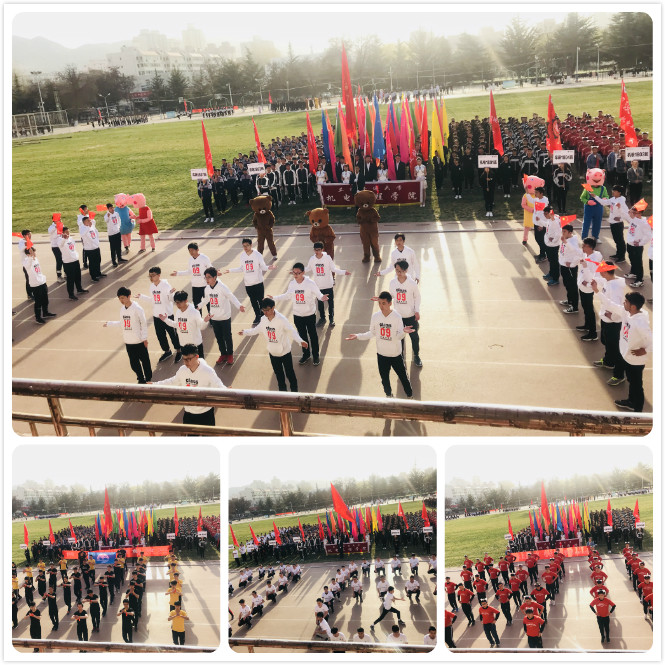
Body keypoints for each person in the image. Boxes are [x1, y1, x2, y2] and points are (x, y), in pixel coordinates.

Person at [346, 292, 414, 398]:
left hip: (395, 355)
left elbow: (398, 337)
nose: (381, 306)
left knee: (403, 377)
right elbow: (371, 333)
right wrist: (358, 336)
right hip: (382, 355)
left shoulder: (397, 317)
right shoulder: (375, 316)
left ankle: (410, 396)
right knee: (384, 379)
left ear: (390, 303)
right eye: (379, 303)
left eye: (384, 303)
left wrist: (404, 332)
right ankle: (389, 396)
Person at [593, 289, 652, 411]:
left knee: (636, 385)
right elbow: (610, 304)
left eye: (626, 302)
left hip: (635, 360)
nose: (623, 303)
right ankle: (631, 401)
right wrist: (597, 291)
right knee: (631, 381)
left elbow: (653, 340)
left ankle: (637, 411)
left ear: (633, 306)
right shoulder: (627, 313)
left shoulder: (640, 323)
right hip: (626, 355)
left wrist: (646, 350)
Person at [239, 298, 307, 392]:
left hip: (285, 352)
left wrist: (300, 341)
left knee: (290, 374)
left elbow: (292, 331)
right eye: (263, 310)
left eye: (267, 310)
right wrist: (245, 332)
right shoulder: (263, 320)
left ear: (273, 308)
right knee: (279, 376)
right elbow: (256, 330)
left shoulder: (281, 319)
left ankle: (294, 394)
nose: (265, 312)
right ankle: (282, 394)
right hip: (273, 353)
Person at [150, 343, 225, 428]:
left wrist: (227, 391)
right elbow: (172, 381)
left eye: (188, 359)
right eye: (184, 359)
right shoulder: (182, 370)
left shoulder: (208, 372)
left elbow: (218, 386)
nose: (186, 362)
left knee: (208, 435)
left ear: (196, 357)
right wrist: (154, 385)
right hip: (189, 413)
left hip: (206, 413)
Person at [269, 262, 328, 366]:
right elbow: (287, 296)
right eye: (294, 273)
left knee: (313, 336)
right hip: (297, 315)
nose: (295, 275)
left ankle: (315, 356)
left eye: (298, 273)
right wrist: (274, 298)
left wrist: (322, 297)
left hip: (309, 315)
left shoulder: (310, 283)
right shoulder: (292, 284)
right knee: (302, 336)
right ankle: (306, 354)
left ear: (303, 272)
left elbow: (318, 294)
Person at [103, 287, 152, 383]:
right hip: (128, 342)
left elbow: (143, 323)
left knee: (145, 361)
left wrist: (144, 338)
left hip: (139, 341)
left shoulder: (137, 309)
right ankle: (140, 378)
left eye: (123, 298)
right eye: (119, 298)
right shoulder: (122, 309)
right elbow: (122, 323)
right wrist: (109, 323)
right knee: (134, 364)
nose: (121, 300)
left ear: (129, 296)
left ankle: (148, 379)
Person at [199, 267, 245, 365]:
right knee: (219, 337)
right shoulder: (207, 288)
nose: (207, 279)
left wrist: (239, 306)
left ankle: (230, 354)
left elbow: (231, 296)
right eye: (205, 277)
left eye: (209, 277)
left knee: (227, 336)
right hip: (214, 317)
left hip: (224, 317)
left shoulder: (222, 287)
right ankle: (223, 354)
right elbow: (206, 299)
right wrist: (198, 306)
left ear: (215, 277)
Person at [135, 267, 181, 363]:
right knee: (160, 335)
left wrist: (171, 294)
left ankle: (179, 350)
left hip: (167, 315)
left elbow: (171, 300)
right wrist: (141, 296)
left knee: (173, 334)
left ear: (159, 275)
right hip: (157, 315)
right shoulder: (152, 286)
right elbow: (153, 300)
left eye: (153, 275)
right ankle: (167, 351)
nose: (151, 277)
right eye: (150, 276)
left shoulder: (165, 285)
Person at [224, 238, 275, 325]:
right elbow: (241, 268)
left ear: (251, 245)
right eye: (244, 246)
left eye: (247, 245)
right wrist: (230, 270)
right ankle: (257, 316)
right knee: (253, 301)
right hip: (248, 284)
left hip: (258, 282)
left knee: (261, 301)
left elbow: (263, 266)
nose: (245, 248)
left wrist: (268, 267)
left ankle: (263, 315)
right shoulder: (242, 256)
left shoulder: (257, 255)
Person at [305, 242, 350, 328]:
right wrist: (297, 271)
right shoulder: (312, 259)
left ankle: (331, 319)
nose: (317, 252)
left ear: (322, 249)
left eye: (318, 250)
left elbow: (333, 269)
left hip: (328, 285)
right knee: (320, 304)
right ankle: (322, 318)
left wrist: (343, 272)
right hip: (318, 286)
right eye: (315, 250)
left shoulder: (327, 258)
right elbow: (307, 268)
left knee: (330, 303)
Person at [160, 291, 208, 359]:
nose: (178, 304)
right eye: (176, 302)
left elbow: (201, 326)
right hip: (183, 344)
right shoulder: (178, 312)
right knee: (187, 364)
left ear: (186, 301)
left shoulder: (195, 312)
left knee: (199, 364)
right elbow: (176, 325)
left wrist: (205, 321)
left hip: (195, 345)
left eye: (180, 302)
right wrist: (166, 320)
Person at [171, 243, 213, 309]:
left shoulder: (204, 258)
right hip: (195, 286)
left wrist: (214, 274)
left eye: (193, 250)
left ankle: (211, 316)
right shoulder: (190, 259)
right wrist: (178, 273)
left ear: (197, 250)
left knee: (208, 304)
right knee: (197, 305)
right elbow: (189, 271)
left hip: (205, 285)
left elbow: (210, 269)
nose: (191, 252)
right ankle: (198, 316)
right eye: (189, 250)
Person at [576, 237, 603, 341]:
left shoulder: (593, 260)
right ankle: (587, 325)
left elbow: (594, 276)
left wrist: (587, 284)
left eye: (584, 246)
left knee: (589, 310)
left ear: (590, 247)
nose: (582, 247)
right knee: (585, 307)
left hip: (587, 288)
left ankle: (593, 333)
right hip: (582, 286)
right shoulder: (588, 255)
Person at [593, 185, 628, 263]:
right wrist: (595, 196)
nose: (613, 192)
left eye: (614, 191)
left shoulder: (621, 201)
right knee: (616, 240)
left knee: (620, 240)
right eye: (613, 190)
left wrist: (620, 218)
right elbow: (604, 202)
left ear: (619, 193)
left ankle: (622, 257)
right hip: (612, 222)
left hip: (618, 224)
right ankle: (618, 254)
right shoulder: (613, 199)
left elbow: (626, 212)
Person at [23, 246, 56, 325]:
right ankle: (38, 318)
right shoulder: (26, 261)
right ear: (28, 254)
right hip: (35, 285)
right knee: (38, 302)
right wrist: (31, 256)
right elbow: (28, 265)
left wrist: (43, 279)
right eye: (33, 252)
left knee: (45, 299)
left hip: (42, 282)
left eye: (34, 252)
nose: (34, 253)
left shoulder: (35, 259)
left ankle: (45, 313)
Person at [624, 204, 652, 288]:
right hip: (630, 243)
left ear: (639, 213)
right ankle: (633, 273)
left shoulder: (644, 223)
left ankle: (640, 280)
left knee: (638, 262)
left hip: (637, 246)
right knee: (632, 259)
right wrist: (628, 211)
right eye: (631, 212)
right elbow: (625, 215)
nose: (631, 214)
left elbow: (648, 236)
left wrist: (640, 243)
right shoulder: (633, 219)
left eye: (633, 212)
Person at [58, 227, 89, 300]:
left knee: (78, 276)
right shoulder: (60, 240)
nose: (68, 233)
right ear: (62, 233)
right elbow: (61, 245)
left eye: (68, 231)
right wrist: (64, 238)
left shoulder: (71, 239)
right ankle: (71, 294)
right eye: (66, 232)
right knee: (70, 279)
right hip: (68, 262)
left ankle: (79, 289)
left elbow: (73, 248)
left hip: (75, 260)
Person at [559, 224, 583, 314]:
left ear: (570, 232)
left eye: (564, 231)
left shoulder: (572, 241)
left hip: (569, 267)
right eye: (562, 231)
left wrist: (572, 263)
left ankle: (575, 307)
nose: (563, 233)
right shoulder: (566, 239)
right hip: (563, 264)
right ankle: (570, 301)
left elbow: (577, 252)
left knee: (572, 286)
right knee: (567, 284)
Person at [80, 216, 107, 281]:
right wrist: (88, 227)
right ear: (84, 222)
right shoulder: (82, 228)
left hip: (96, 246)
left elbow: (96, 233)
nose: (90, 221)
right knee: (92, 263)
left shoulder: (92, 226)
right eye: (88, 220)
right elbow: (82, 234)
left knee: (98, 260)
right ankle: (93, 276)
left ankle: (98, 273)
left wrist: (97, 242)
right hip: (89, 249)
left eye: (89, 220)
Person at [47, 215, 65, 281]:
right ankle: (59, 276)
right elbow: (50, 231)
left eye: (60, 218)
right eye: (58, 219)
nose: (60, 220)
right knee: (59, 260)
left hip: (62, 245)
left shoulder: (61, 225)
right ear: (54, 220)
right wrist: (56, 226)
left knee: (64, 259)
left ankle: (66, 272)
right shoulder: (51, 227)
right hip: (55, 246)